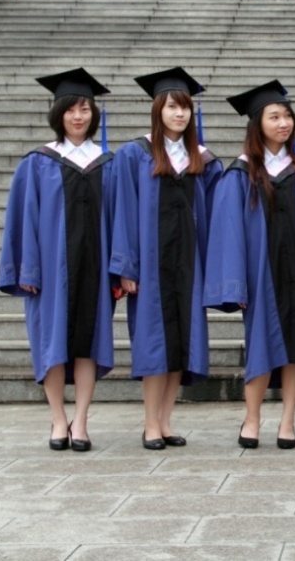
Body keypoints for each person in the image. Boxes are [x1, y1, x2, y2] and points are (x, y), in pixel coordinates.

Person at [204, 80, 295, 450]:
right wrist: (235, 283)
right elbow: (228, 232)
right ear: (257, 124)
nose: (283, 123)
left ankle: (288, 421)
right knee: (260, 346)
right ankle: (252, 418)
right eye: (274, 116)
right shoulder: (240, 173)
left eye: (287, 116)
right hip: (260, 274)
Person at [0, 68, 116, 452]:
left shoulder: (108, 163)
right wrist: (27, 269)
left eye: (85, 109)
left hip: (95, 268)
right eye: (70, 109)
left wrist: (120, 268)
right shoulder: (37, 162)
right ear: (58, 113)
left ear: (94, 114)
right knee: (51, 343)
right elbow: (23, 219)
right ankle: (57, 418)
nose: (78, 117)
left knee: (88, 343)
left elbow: (120, 220)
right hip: (50, 271)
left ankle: (80, 421)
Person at [110, 67, 223, 450]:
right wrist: (126, 266)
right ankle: (150, 424)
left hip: (189, 265)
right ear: (158, 110)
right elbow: (123, 212)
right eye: (172, 107)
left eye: (185, 107)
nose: (180, 114)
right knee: (155, 345)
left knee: (182, 345)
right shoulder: (133, 155)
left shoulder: (203, 160)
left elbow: (214, 218)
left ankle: (166, 420)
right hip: (150, 267)